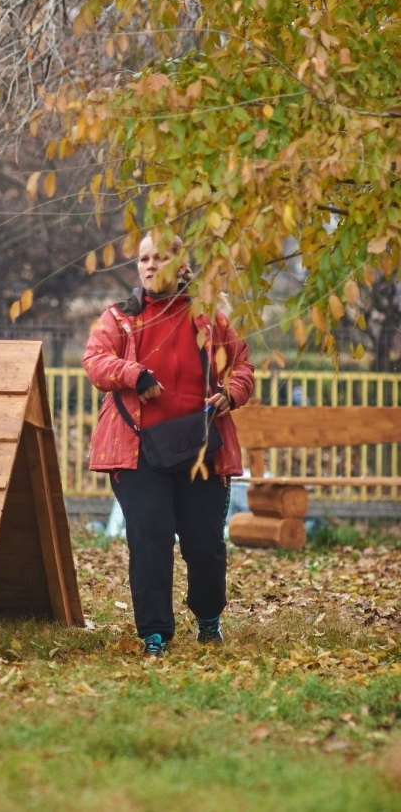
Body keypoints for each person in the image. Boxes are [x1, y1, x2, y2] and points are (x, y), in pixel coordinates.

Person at [83, 232, 254, 657]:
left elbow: (242, 365)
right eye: (143, 259)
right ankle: (155, 633)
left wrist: (231, 392)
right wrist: (131, 374)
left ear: (181, 264)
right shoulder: (121, 318)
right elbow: (94, 360)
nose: (149, 265)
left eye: (160, 257)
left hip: (201, 449)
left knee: (205, 545)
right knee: (150, 540)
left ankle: (209, 617)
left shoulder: (209, 317)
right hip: (138, 453)